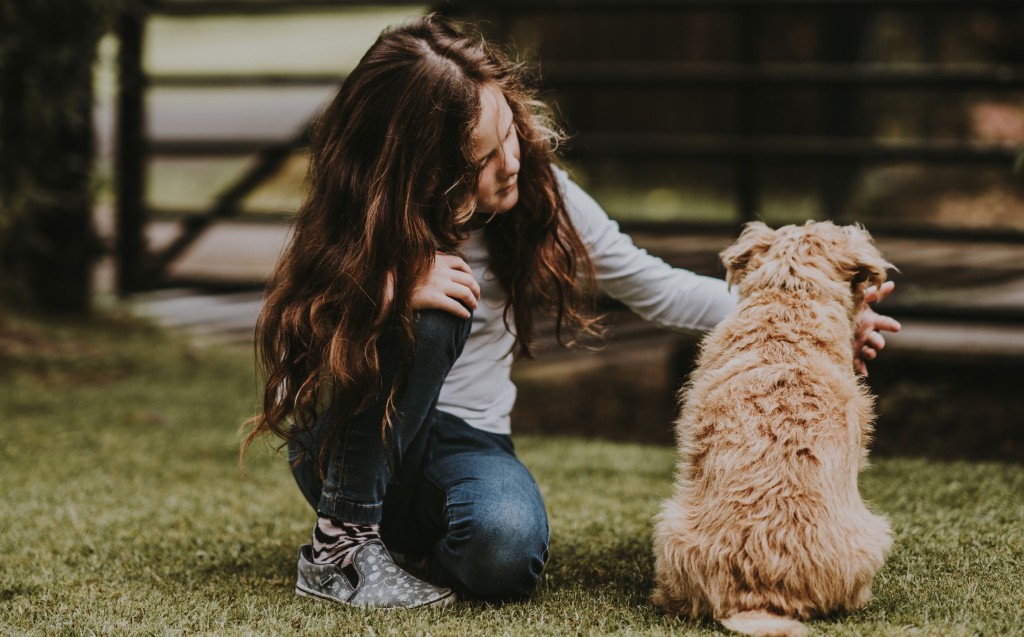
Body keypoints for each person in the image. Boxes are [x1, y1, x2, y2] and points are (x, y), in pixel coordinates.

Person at [241, 15, 901, 609]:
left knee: (505, 554)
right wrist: (385, 292)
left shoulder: (538, 192)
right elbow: (293, 332)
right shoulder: (364, 214)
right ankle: (341, 551)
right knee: (438, 307)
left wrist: (817, 314)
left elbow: (653, 284)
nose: (512, 161)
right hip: (348, 440)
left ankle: (406, 548)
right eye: (483, 157)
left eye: (509, 134)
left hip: (468, 439)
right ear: (424, 169)